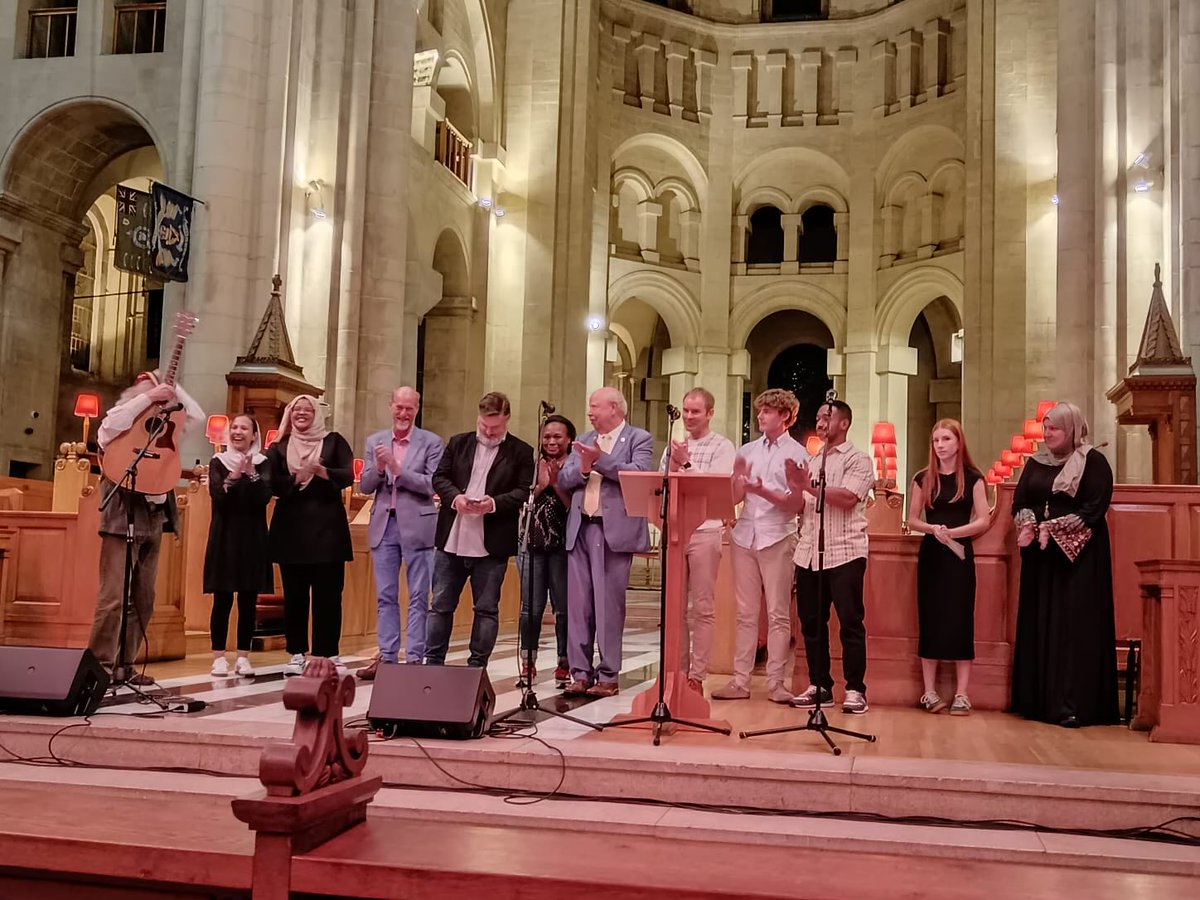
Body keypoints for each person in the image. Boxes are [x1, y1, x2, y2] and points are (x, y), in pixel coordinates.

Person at [89, 371, 204, 682]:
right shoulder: (121, 424)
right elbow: (107, 428)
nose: (158, 397)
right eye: (150, 394)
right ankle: (99, 666)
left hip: (154, 516)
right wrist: (147, 395)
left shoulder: (166, 427)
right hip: (122, 513)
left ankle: (125, 664)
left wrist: (172, 384)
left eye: (160, 394)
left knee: (143, 597)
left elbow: (198, 416)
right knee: (113, 595)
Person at [1011, 402, 1118, 728]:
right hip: (1042, 560)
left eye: (1054, 428)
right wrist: (1028, 525)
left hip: (1079, 559)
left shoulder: (1094, 462)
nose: (1047, 434)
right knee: (1041, 624)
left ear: (1071, 430)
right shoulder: (1036, 462)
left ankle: (1073, 705)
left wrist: (1051, 529)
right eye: (1045, 428)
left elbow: (1094, 509)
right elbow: (1021, 500)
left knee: (1072, 630)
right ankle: (1037, 702)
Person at [425, 392, 535, 668]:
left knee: (486, 609)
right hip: (453, 539)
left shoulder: (521, 452)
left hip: (492, 543)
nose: (488, 431)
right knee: (440, 605)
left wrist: (493, 504)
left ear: (507, 419)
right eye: (484, 425)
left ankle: (476, 667)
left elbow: (523, 491)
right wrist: (455, 498)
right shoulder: (459, 443)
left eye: (495, 427)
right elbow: (440, 477)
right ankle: (433, 662)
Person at [712, 389, 808, 704]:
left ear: (785, 416)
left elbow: (796, 504)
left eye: (768, 411)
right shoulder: (748, 450)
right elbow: (736, 497)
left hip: (778, 535)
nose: (761, 416)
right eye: (760, 410)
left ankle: (777, 683)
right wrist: (736, 490)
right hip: (745, 536)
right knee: (745, 613)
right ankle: (740, 681)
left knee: (779, 613)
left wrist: (762, 490)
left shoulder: (797, 453)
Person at [559, 387, 653, 697]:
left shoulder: (639, 438)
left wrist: (602, 461)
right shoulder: (584, 439)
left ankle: (609, 675)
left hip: (612, 532)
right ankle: (580, 673)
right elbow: (565, 478)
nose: (590, 412)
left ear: (614, 408)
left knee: (608, 606)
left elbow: (640, 474)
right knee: (579, 606)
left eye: (595, 406)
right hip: (580, 529)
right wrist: (584, 469)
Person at [786, 400, 875, 714]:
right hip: (809, 550)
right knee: (811, 623)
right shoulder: (813, 461)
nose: (821, 422)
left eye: (828, 416)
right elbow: (803, 505)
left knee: (850, 622)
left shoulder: (858, 459)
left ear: (844, 423)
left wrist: (806, 488)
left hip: (845, 550)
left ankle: (855, 689)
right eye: (819, 417)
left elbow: (849, 498)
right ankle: (820, 685)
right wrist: (790, 491)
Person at [356, 387, 444, 680]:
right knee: (385, 596)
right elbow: (365, 486)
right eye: (399, 407)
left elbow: (432, 484)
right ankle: (388, 657)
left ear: (417, 408)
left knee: (419, 595)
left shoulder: (431, 442)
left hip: (418, 525)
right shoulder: (375, 441)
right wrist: (380, 468)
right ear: (390, 406)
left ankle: (416, 657)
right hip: (384, 525)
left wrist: (398, 468)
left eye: (410, 408)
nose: (404, 413)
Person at [906, 419, 990, 715]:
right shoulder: (923, 478)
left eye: (945, 439)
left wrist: (954, 532)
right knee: (930, 619)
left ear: (958, 443)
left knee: (960, 619)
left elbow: (984, 519)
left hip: (959, 554)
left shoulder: (973, 477)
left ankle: (962, 694)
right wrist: (933, 529)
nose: (940, 445)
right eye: (936, 440)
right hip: (932, 554)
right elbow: (911, 519)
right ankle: (928, 692)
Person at [267, 395, 354, 675]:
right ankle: (296, 652)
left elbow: (348, 475)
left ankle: (328, 652)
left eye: (307, 410)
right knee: (295, 596)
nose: (301, 414)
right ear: (290, 415)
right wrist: (297, 477)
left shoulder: (334, 441)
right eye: (296, 410)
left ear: (317, 414)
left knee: (329, 595)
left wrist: (321, 471)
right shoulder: (279, 446)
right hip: (291, 529)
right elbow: (272, 484)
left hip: (328, 528)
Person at [662, 387, 736, 693]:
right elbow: (659, 486)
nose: (690, 416)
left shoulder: (722, 446)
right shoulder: (673, 447)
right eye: (686, 410)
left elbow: (715, 489)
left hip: (705, 532)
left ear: (710, 413)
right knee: (673, 608)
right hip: (676, 532)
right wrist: (675, 464)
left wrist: (687, 464)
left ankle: (697, 675)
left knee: (702, 608)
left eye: (696, 411)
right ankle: (674, 674)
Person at [204, 414, 273, 677]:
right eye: (234, 427)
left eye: (244, 428)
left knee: (247, 600)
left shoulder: (263, 463)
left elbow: (265, 497)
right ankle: (218, 657)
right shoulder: (218, 461)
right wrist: (233, 476)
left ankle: (243, 656)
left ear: (254, 435)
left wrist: (252, 474)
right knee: (222, 600)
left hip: (253, 537)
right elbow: (218, 497)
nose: (238, 432)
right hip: (225, 536)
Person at [516, 414, 576, 688]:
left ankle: (565, 662)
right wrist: (541, 485)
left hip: (563, 548)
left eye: (557, 437)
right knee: (530, 609)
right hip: (532, 544)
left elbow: (573, 507)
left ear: (569, 440)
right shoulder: (530, 466)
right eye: (547, 437)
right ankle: (528, 662)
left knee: (563, 609)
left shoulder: (575, 466)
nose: (551, 441)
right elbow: (522, 501)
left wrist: (555, 484)